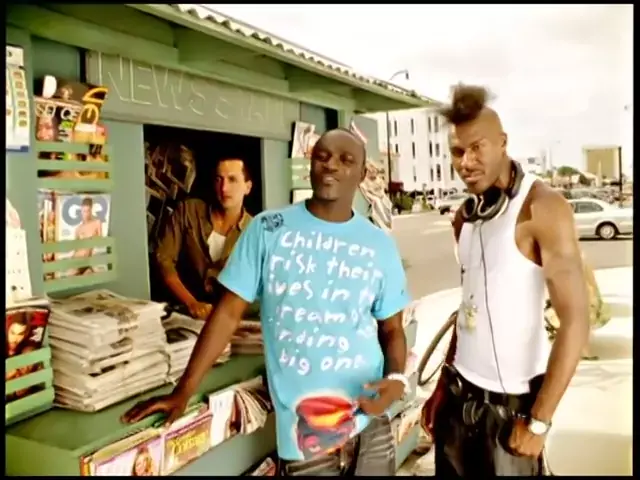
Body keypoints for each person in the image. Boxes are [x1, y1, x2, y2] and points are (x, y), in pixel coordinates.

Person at [123, 128, 411, 476]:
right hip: (306, 438)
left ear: (362, 175)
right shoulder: (268, 230)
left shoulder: (379, 245)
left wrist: (396, 379)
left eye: (345, 160)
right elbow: (227, 314)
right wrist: (183, 391)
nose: (331, 165)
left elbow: (392, 329)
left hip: (371, 425)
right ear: (310, 167)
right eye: (322, 157)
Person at [420, 84, 589, 477]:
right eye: (457, 152)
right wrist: (442, 386)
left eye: (477, 147)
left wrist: (539, 421)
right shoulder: (466, 217)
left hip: (512, 412)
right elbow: (470, 307)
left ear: (503, 143)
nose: (466, 162)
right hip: (457, 402)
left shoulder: (542, 208)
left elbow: (576, 321)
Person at [154, 157, 253, 319]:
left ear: (247, 187)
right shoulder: (188, 211)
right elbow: (164, 260)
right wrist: (191, 303)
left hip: (231, 317)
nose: (224, 188)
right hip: (184, 311)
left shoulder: (256, 231)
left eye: (232, 180)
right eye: (218, 179)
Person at [72, 196, 103, 275]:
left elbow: (101, 243)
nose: (85, 214)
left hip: (89, 261)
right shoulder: (78, 229)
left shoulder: (97, 223)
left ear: (91, 210)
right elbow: (75, 249)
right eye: (83, 211)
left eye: (88, 211)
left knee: (90, 275)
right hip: (77, 262)